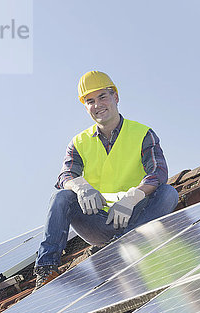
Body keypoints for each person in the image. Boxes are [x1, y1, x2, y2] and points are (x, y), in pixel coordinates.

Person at [33, 71, 179, 290]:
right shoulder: (79, 142)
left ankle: (125, 242)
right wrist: (80, 186)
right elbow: (66, 176)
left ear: (116, 98)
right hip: (99, 221)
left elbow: (158, 172)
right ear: (85, 107)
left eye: (102, 96)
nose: (97, 105)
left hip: (135, 216)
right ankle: (47, 268)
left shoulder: (142, 133)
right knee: (62, 197)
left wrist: (133, 197)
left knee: (168, 193)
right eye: (90, 101)